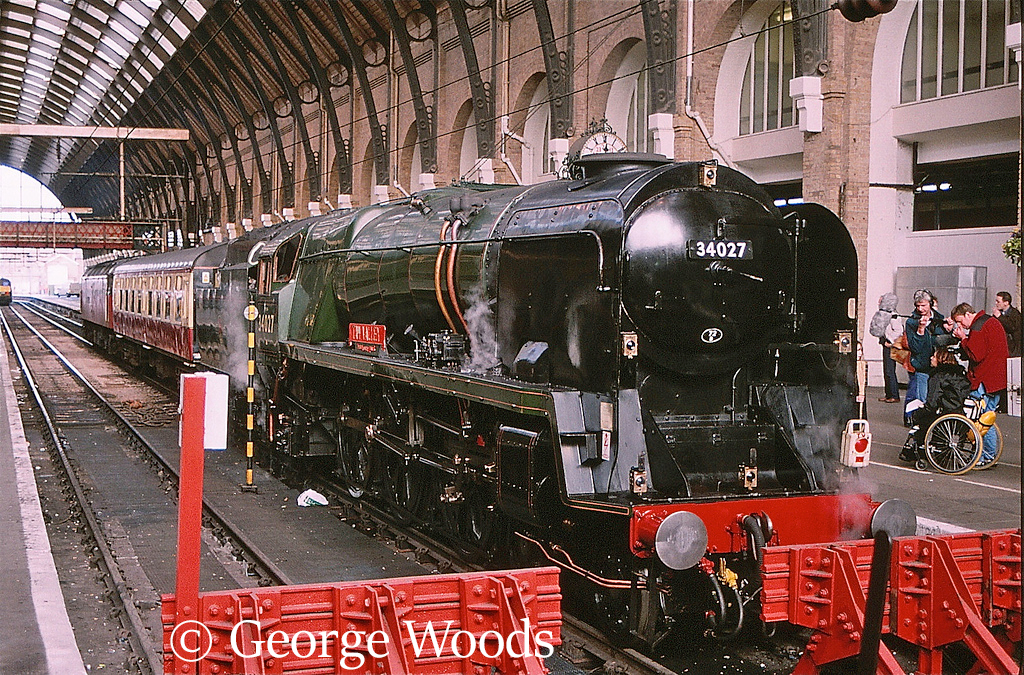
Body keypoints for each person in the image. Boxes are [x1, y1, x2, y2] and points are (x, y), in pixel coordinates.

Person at [949, 302, 1009, 468]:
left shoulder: (978, 327)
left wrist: (963, 339)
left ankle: (986, 456)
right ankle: (989, 455)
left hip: (985, 378)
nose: (961, 326)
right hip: (996, 378)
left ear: (968, 314)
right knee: (987, 416)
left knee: (982, 419)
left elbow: (976, 355)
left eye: (960, 321)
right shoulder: (989, 321)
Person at [899, 348, 971, 462]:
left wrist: (920, 412)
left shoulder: (938, 376)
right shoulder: (960, 375)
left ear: (940, 360)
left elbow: (932, 402)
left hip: (944, 413)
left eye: (934, 356)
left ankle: (917, 450)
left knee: (921, 418)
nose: (931, 358)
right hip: (959, 414)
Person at [904, 290, 948, 425]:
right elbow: (915, 348)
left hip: (938, 365)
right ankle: (920, 426)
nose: (920, 309)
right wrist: (921, 330)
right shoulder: (911, 322)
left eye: (923, 305)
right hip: (922, 365)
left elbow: (945, 342)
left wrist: (948, 329)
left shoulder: (940, 318)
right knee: (921, 399)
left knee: (938, 399)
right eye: (918, 306)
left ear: (931, 304)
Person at [869, 292, 901, 402]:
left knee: (890, 370)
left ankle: (894, 395)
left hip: (890, 345)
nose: (879, 303)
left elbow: (898, 330)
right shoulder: (885, 314)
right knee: (886, 369)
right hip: (885, 343)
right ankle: (889, 394)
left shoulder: (893, 316)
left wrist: (890, 341)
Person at [993, 291, 1021, 358]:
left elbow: (1012, 327)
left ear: (1006, 303)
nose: (996, 304)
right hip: (1001, 346)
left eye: (998, 302)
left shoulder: (1015, 313)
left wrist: (1000, 317)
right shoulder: (997, 314)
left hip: (1012, 348)